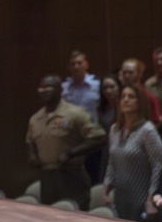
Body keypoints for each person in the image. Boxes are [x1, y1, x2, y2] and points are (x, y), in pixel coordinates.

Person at [26, 75, 106, 210]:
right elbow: (30, 141)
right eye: (41, 87)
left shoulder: (75, 113)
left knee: (76, 218)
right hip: (47, 177)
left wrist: (71, 153)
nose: (44, 90)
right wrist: (32, 156)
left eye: (48, 87)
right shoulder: (35, 119)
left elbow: (99, 138)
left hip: (71, 175)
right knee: (50, 218)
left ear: (59, 89)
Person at [103, 84, 162, 222]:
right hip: (120, 196)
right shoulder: (114, 129)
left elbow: (158, 166)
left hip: (141, 197)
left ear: (140, 102)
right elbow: (112, 162)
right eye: (123, 96)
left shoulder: (147, 130)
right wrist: (106, 188)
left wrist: (151, 199)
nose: (126, 100)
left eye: (131, 97)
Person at [61, 50, 101, 122]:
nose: (76, 67)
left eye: (79, 63)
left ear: (86, 65)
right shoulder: (64, 87)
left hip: (92, 127)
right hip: (71, 128)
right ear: (69, 67)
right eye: (73, 64)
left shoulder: (97, 84)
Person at [118, 58, 161, 124]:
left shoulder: (147, 96)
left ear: (139, 74)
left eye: (131, 73)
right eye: (124, 73)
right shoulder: (119, 94)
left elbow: (156, 120)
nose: (127, 76)